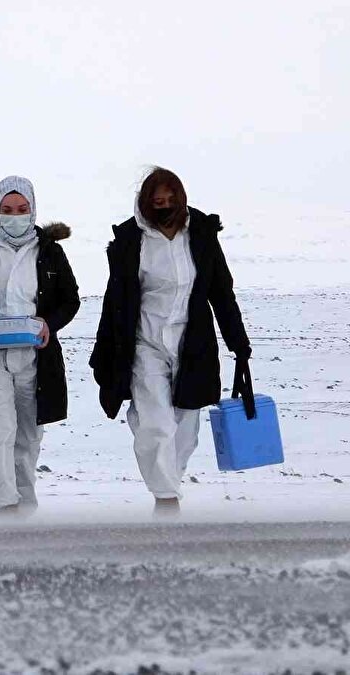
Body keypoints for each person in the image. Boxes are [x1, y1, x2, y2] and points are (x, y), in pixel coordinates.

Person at [89, 167, 252, 517]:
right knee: (154, 422)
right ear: (146, 203)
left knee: (186, 428)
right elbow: (114, 300)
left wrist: (238, 343)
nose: (164, 207)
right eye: (156, 201)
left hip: (192, 344)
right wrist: (105, 354)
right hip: (144, 342)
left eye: (170, 199)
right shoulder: (131, 241)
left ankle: (170, 483)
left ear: (181, 199)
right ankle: (166, 499)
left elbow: (221, 293)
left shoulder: (202, 235)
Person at [0, 176, 80, 516]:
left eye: (22, 209)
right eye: (6, 210)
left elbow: (70, 299)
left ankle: (25, 511)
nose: (14, 216)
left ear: (33, 208)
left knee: (26, 439)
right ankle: (4, 507)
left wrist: (49, 324)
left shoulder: (50, 251)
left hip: (35, 359)